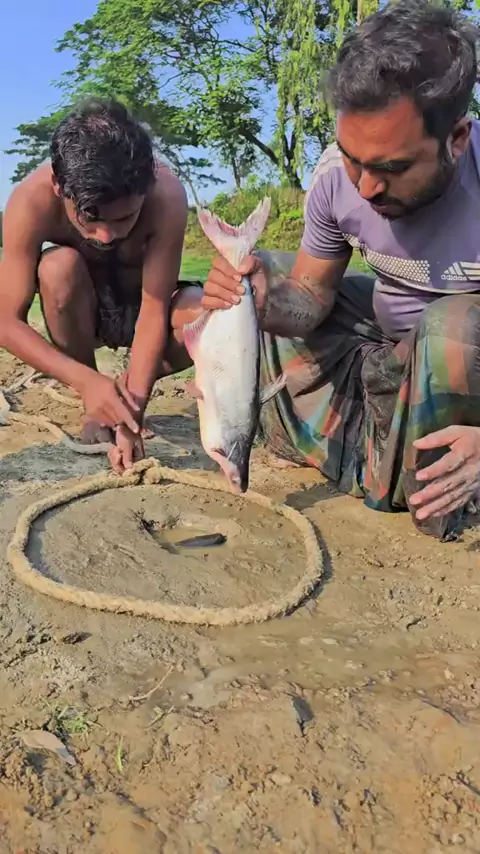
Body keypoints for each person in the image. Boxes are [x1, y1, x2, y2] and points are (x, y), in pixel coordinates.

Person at [185, 0, 480, 539]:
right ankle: (374, 451)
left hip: (463, 363)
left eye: (392, 167)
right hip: (391, 339)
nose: (365, 187)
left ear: (456, 139)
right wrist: (261, 298)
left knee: (457, 326)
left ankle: (442, 487)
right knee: (272, 272)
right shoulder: (333, 180)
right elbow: (311, 296)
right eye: (352, 158)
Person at [0, 97, 195, 472]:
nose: (106, 236)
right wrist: (86, 383)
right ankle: (95, 397)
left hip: (141, 311)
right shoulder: (29, 202)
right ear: (59, 187)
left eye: (124, 218)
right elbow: (6, 321)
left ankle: (121, 391)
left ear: (148, 184)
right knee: (58, 267)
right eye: (89, 219)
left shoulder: (167, 196)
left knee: (203, 314)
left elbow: (154, 308)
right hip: (82, 317)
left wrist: (132, 411)